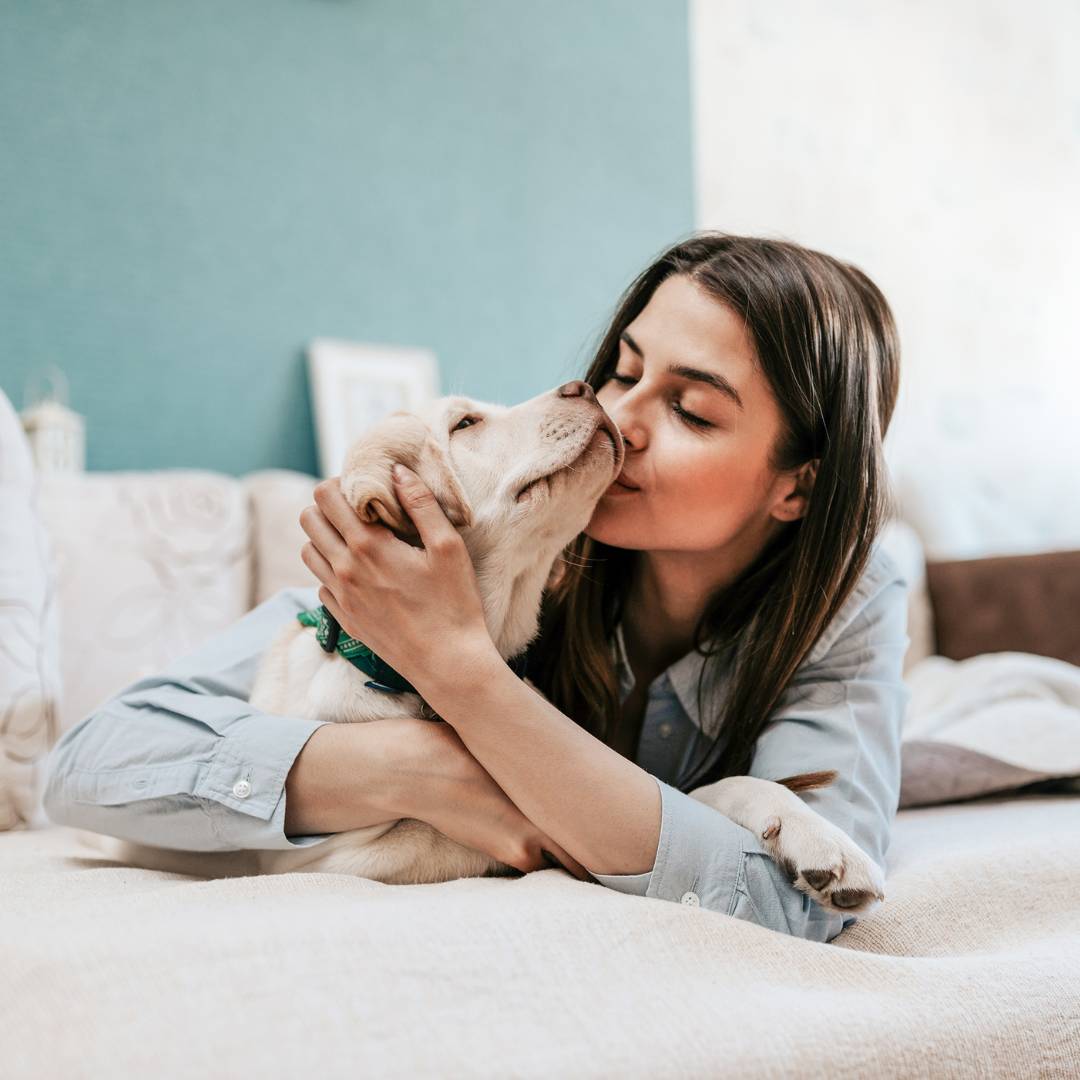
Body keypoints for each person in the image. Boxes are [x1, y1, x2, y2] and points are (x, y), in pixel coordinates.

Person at [42, 232, 910, 943]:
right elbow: (89, 764)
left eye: (691, 410)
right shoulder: (493, 546)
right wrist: (420, 768)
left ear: (798, 484)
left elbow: (796, 904)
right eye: (625, 369)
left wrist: (463, 672)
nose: (623, 416)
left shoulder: (849, 599)